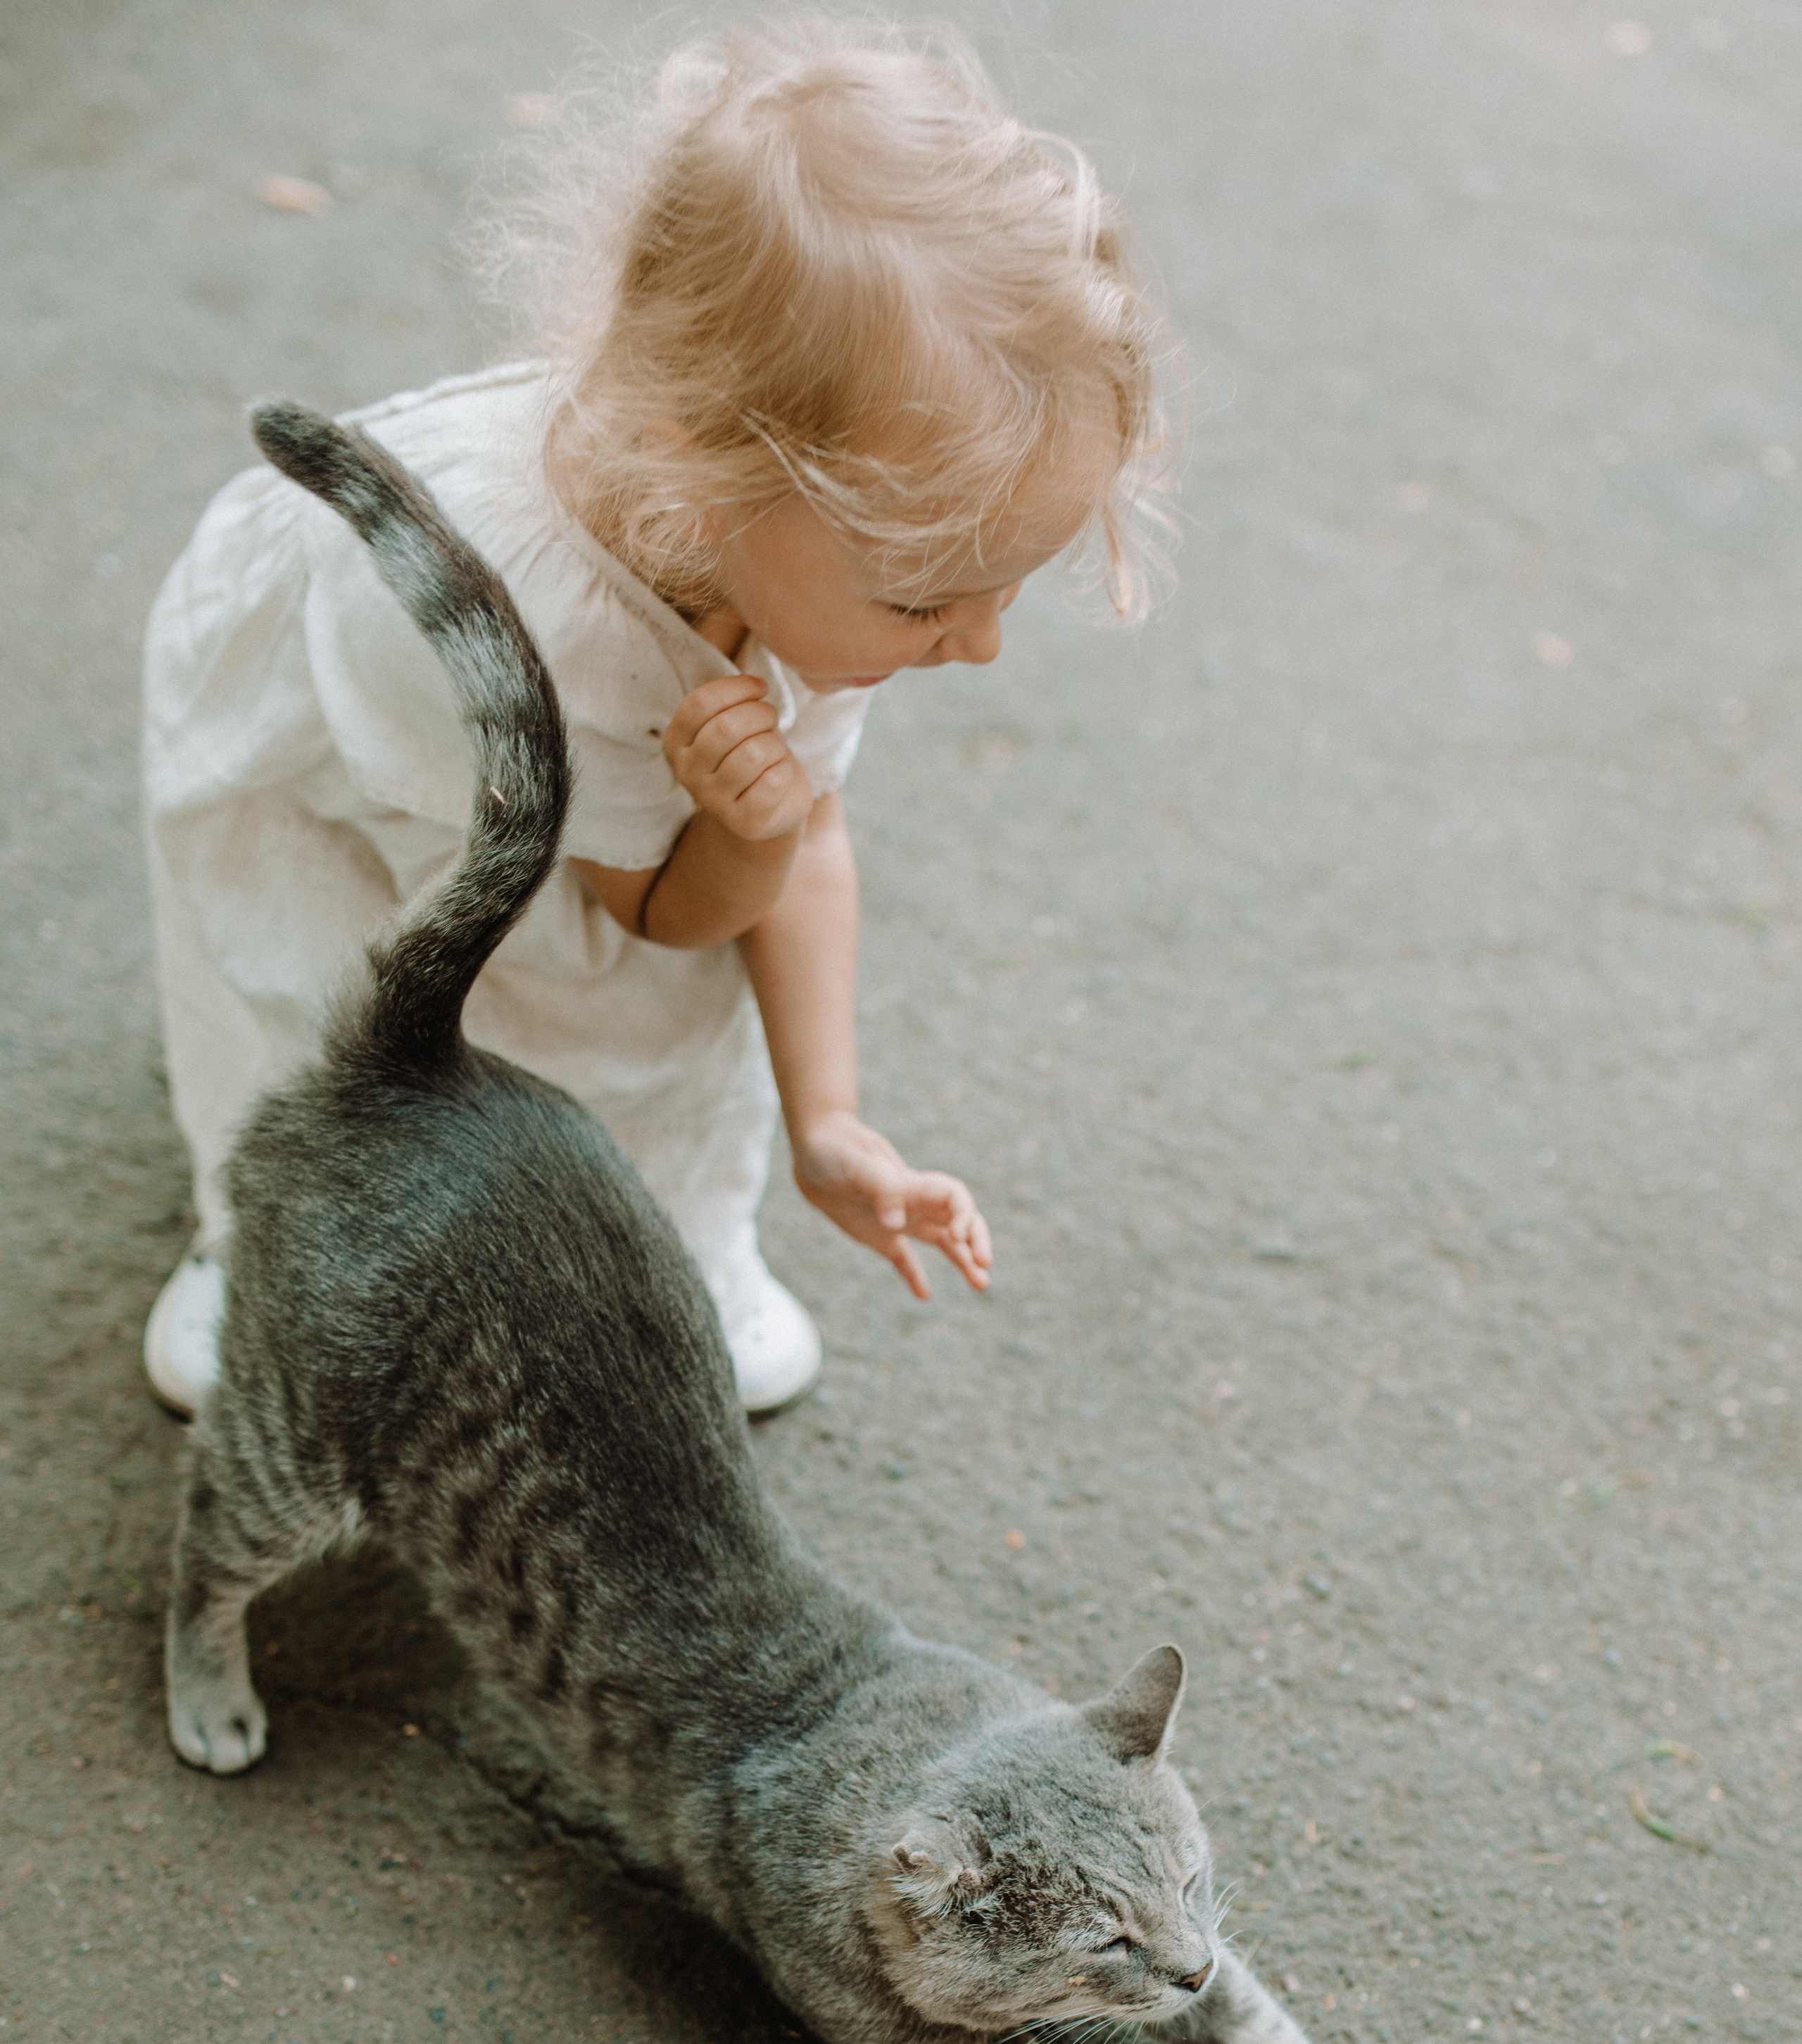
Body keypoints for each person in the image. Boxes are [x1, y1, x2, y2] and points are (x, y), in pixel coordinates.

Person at [141, 15, 1171, 1418]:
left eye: (1005, 587)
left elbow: (799, 842)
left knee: (652, 1023)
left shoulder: (776, 555)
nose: (978, 644)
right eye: (931, 594)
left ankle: (679, 1240)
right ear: (704, 475)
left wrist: (830, 1120)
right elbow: (669, 912)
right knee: (336, 1001)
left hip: (611, 804)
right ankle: (261, 1253)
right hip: (365, 770)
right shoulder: (514, 623)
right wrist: (742, 837)